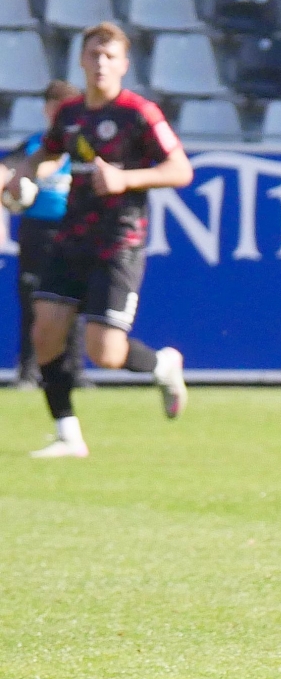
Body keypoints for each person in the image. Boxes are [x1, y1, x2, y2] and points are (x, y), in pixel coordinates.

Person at [13, 23, 193, 459]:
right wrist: (25, 175)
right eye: (94, 54)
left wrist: (125, 179)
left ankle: (163, 365)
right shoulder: (71, 113)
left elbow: (180, 170)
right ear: (81, 59)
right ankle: (68, 434)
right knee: (45, 332)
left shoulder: (139, 113)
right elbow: (47, 152)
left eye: (110, 56)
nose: (101, 64)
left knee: (106, 353)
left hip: (118, 242)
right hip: (72, 238)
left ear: (124, 64)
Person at [1, 80, 83, 388]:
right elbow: (5, 172)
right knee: (32, 297)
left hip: (75, 229)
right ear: (47, 110)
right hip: (37, 231)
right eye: (56, 107)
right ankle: (28, 371)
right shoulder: (34, 146)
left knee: (73, 300)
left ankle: (74, 372)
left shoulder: (83, 145)